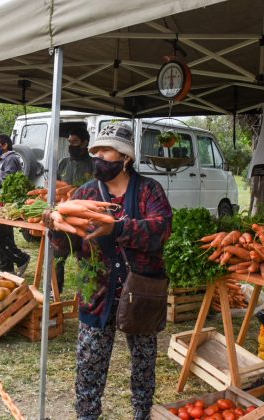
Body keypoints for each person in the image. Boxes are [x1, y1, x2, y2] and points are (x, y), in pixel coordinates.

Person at [44, 122, 172, 420]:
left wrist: (117, 228)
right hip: (97, 292)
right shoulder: (85, 192)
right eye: (96, 150)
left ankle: (142, 413)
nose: (98, 156)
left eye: (106, 150)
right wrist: (55, 228)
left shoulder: (149, 190)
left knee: (143, 361)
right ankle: (87, 415)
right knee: (89, 364)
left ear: (125, 157)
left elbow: (161, 230)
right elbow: (66, 247)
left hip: (140, 291)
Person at [54, 125, 94, 293]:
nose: (71, 145)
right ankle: (55, 291)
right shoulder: (63, 164)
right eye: (69, 142)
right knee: (57, 257)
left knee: (85, 259)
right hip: (64, 220)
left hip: (86, 221)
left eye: (75, 142)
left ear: (85, 143)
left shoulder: (94, 165)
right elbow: (55, 189)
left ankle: (85, 294)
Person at [0, 134, 31, 276]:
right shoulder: (3, 159)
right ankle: (5, 266)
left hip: (6, 203)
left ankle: (21, 258)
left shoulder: (10, 159)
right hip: (1, 201)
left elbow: (9, 180)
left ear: (4, 145)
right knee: (5, 235)